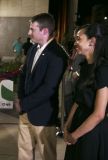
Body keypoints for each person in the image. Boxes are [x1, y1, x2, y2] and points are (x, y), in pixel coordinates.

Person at [15, 13, 67, 160]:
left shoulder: (57, 55)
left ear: (45, 31)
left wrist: (24, 103)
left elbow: (48, 88)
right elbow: (23, 75)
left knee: (47, 155)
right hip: (25, 113)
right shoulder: (32, 49)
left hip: (43, 115)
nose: (28, 32)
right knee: (23, 152)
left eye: (32, 29)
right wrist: (20, 98)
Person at [64, 23, 108, 160]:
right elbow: (78, 101)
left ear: (92, 41)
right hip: (78, 123)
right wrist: (67, 126)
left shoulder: (103, 70)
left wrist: (74, 135)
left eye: (79, 38)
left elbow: (99, 114)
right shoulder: (84, 67)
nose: (75, 43)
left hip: (92, 130)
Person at [64, 26, 85, 120]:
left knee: (76, 98)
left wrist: (78, 72)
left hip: (78, 75)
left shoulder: (85, 46)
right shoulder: (75, 46)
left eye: (75, 34)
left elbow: (90, 62)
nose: (73, 36)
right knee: (67, 95)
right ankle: (68, 118)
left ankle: (73, 120)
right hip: (71, 72)